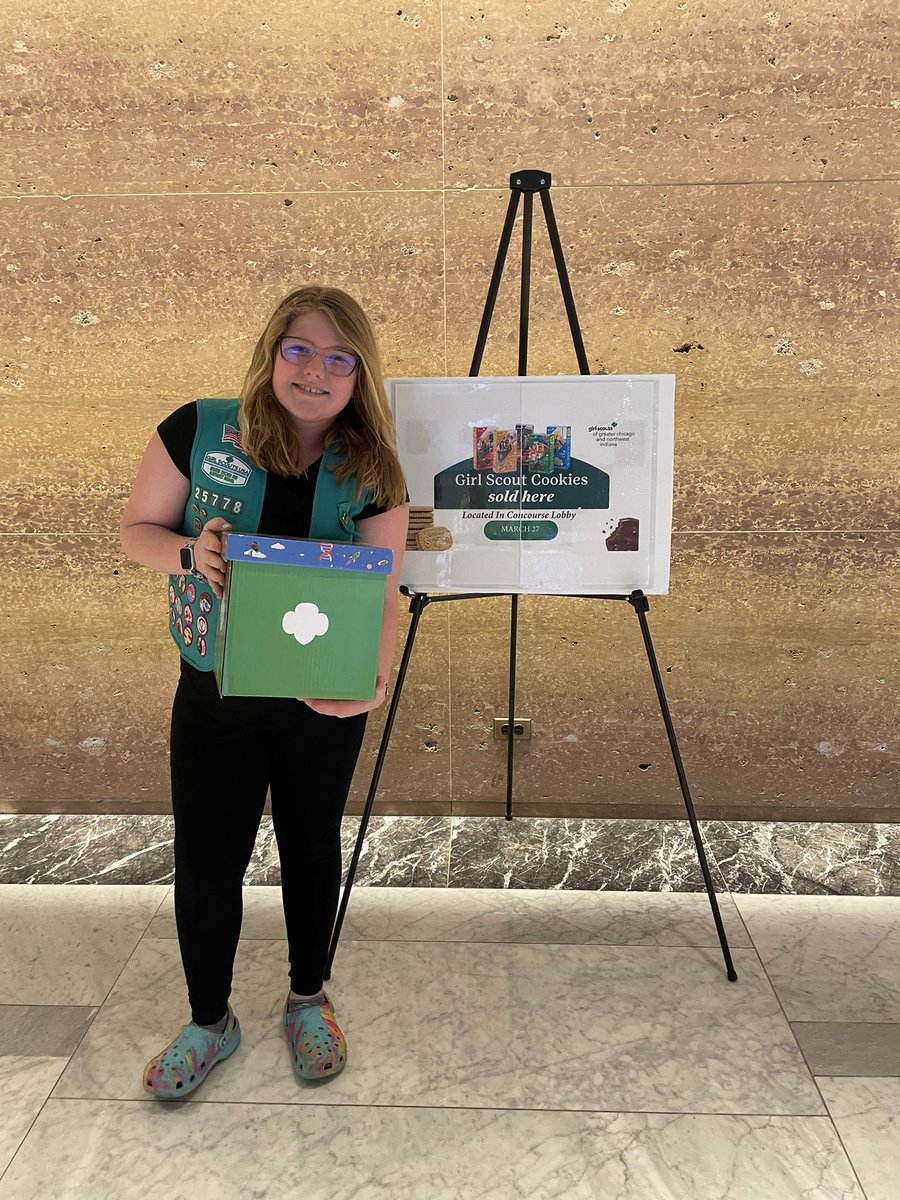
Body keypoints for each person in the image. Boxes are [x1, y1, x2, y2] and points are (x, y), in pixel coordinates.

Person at [120, 285, 409, 1099]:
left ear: (359, 375)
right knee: (208, 860)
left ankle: (306, 1002)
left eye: (338, 358)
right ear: (272, 352)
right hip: (214, 694)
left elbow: (385, 592)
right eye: (300, 350)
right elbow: (137, 532)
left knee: (312, 851)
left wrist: (373, 687)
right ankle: (209, 1021)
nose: (316, 371)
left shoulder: (374, 468)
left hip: (323, 703)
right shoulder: (199, 430)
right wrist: (192, 556)